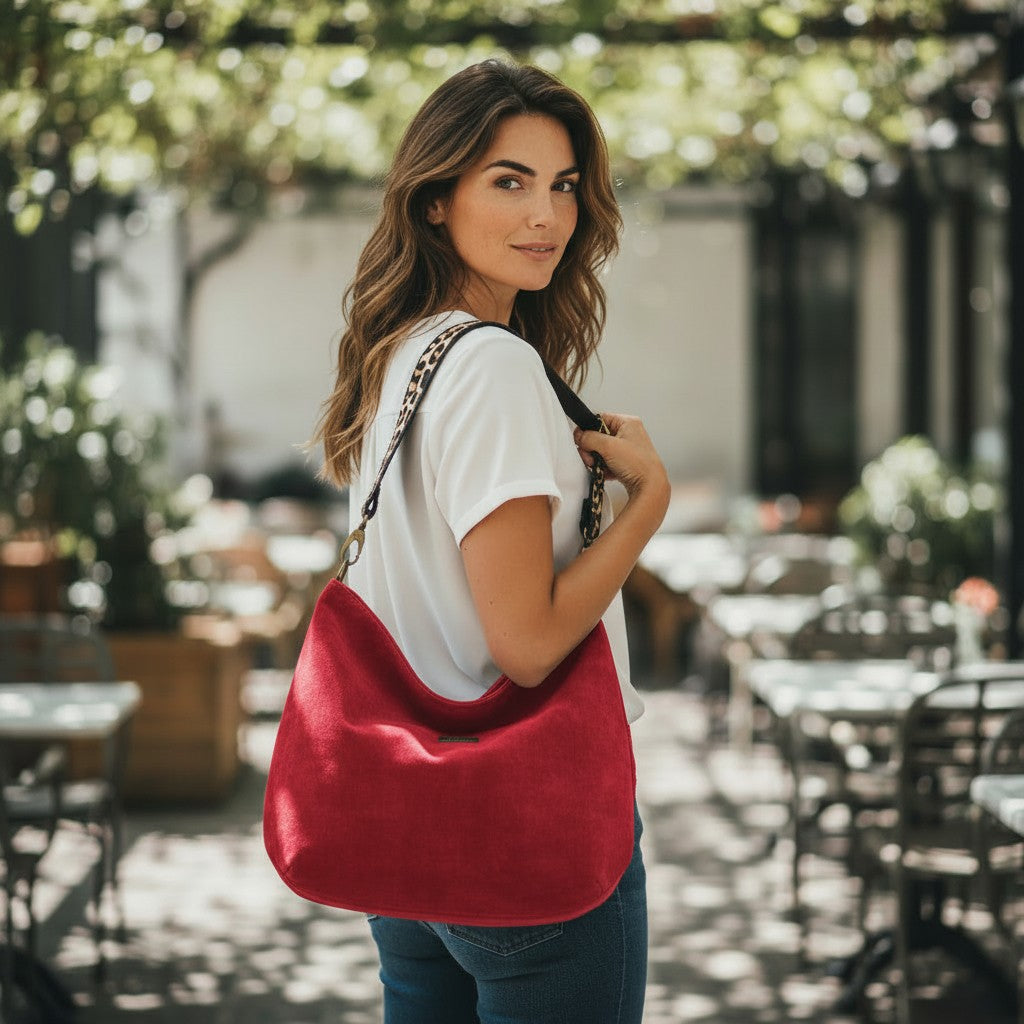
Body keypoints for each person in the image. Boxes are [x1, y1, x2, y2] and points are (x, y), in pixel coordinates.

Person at [312, 58, 669, 1024]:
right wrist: (645, 506)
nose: (545, 216)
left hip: (413, 833)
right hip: (526, 829)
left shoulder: (400, 359)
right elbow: (527, 640)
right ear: (435, 200)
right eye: (507, 182)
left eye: (562, 186)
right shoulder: (496, 367)